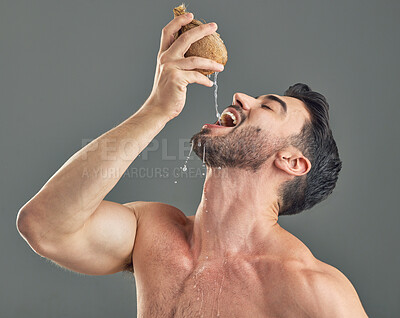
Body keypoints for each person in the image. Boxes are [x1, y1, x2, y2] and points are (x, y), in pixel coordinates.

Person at [16, 13, 368, 317]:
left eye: (268, 106)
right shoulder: (151, 232)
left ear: (291, 161)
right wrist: (156, 109)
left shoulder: (312, 289)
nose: (241, 98)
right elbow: (44, 225)